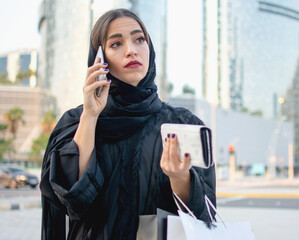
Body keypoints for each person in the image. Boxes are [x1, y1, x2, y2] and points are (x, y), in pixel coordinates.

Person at [40, 8, 216, 240]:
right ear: (99, 59)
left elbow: (207, 216)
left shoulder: (183, 124)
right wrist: (91, 116)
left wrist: (180, 178)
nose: (131, 50)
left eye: (139, 39)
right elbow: (73, 199)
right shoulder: (75, 123)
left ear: (150, 49)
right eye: (116, 44)